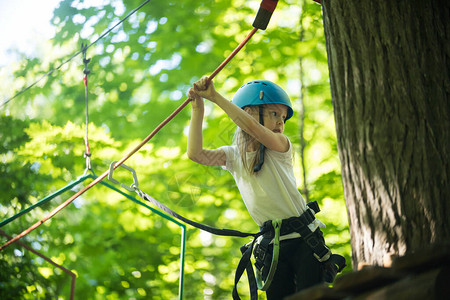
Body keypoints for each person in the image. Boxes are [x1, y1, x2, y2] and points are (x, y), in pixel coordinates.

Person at [187, 76, 343, 299]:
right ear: (250, 112)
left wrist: (214, 96)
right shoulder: (233, 156)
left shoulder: (280, 146)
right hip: (272, 247)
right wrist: (198, 108)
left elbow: (253, 129)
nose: (281, 122)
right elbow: (196, 154)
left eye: (283, 117)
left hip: (303, 241)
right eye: (274, 114)